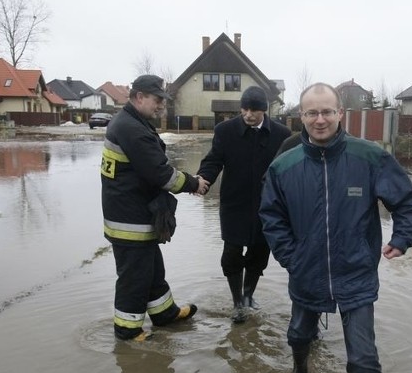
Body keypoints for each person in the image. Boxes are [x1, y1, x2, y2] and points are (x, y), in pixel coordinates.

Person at [259, 83, 412, 373]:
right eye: (312, 113)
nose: (320, 120)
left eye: (327, 112)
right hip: (307, 272)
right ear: (301, 117)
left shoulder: (369, 158)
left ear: (340, 114)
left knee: (364, 360)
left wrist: (402, 238)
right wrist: (291, 258)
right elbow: (271, 217)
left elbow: (407, 200)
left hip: (356, 276)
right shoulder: (284, 166)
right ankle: (300, 371)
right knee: (299, 333)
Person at [101, 74, 209, 342]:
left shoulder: (132, 122)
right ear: (139, 97)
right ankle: (127, 331)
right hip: (130, 220)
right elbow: (160, 174)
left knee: (151, 270)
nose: (162, 105)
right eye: (157, 99)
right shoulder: (132, 128)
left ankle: (164, 314)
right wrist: (194, 183)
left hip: (136, 214)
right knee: (134, 278)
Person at [197, 86, 291, 323]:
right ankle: (237, 302)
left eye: (254, 110)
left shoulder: (282, 135)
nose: (248, 115)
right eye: (245, 109)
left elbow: (290, 169)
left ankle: (249, 294)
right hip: (234, 203)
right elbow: (214, 160)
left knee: (259, 253)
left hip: (267, 205)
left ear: (264, 110)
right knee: (231, 253)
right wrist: (203, 180)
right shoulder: (225, 131)